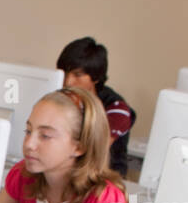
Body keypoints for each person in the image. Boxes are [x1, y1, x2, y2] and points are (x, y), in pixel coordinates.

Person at [57, 37, 135, 177]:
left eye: (77, 75)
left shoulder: (117, 108)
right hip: (67, 177)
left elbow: (93, 152)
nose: (68, 81)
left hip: (102, 181)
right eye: (64, 73)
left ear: (96, 77)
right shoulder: (61, 100)